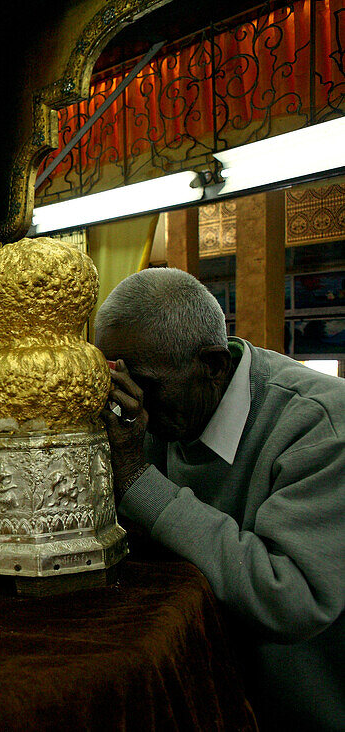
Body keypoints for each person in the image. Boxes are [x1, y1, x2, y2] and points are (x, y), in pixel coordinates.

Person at [94, 267, 345, 732]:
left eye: (143, 386)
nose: (133, 405)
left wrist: (136, 479)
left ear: (213, 366)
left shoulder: (322, 428)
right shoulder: (166, 401)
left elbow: (290, 598)